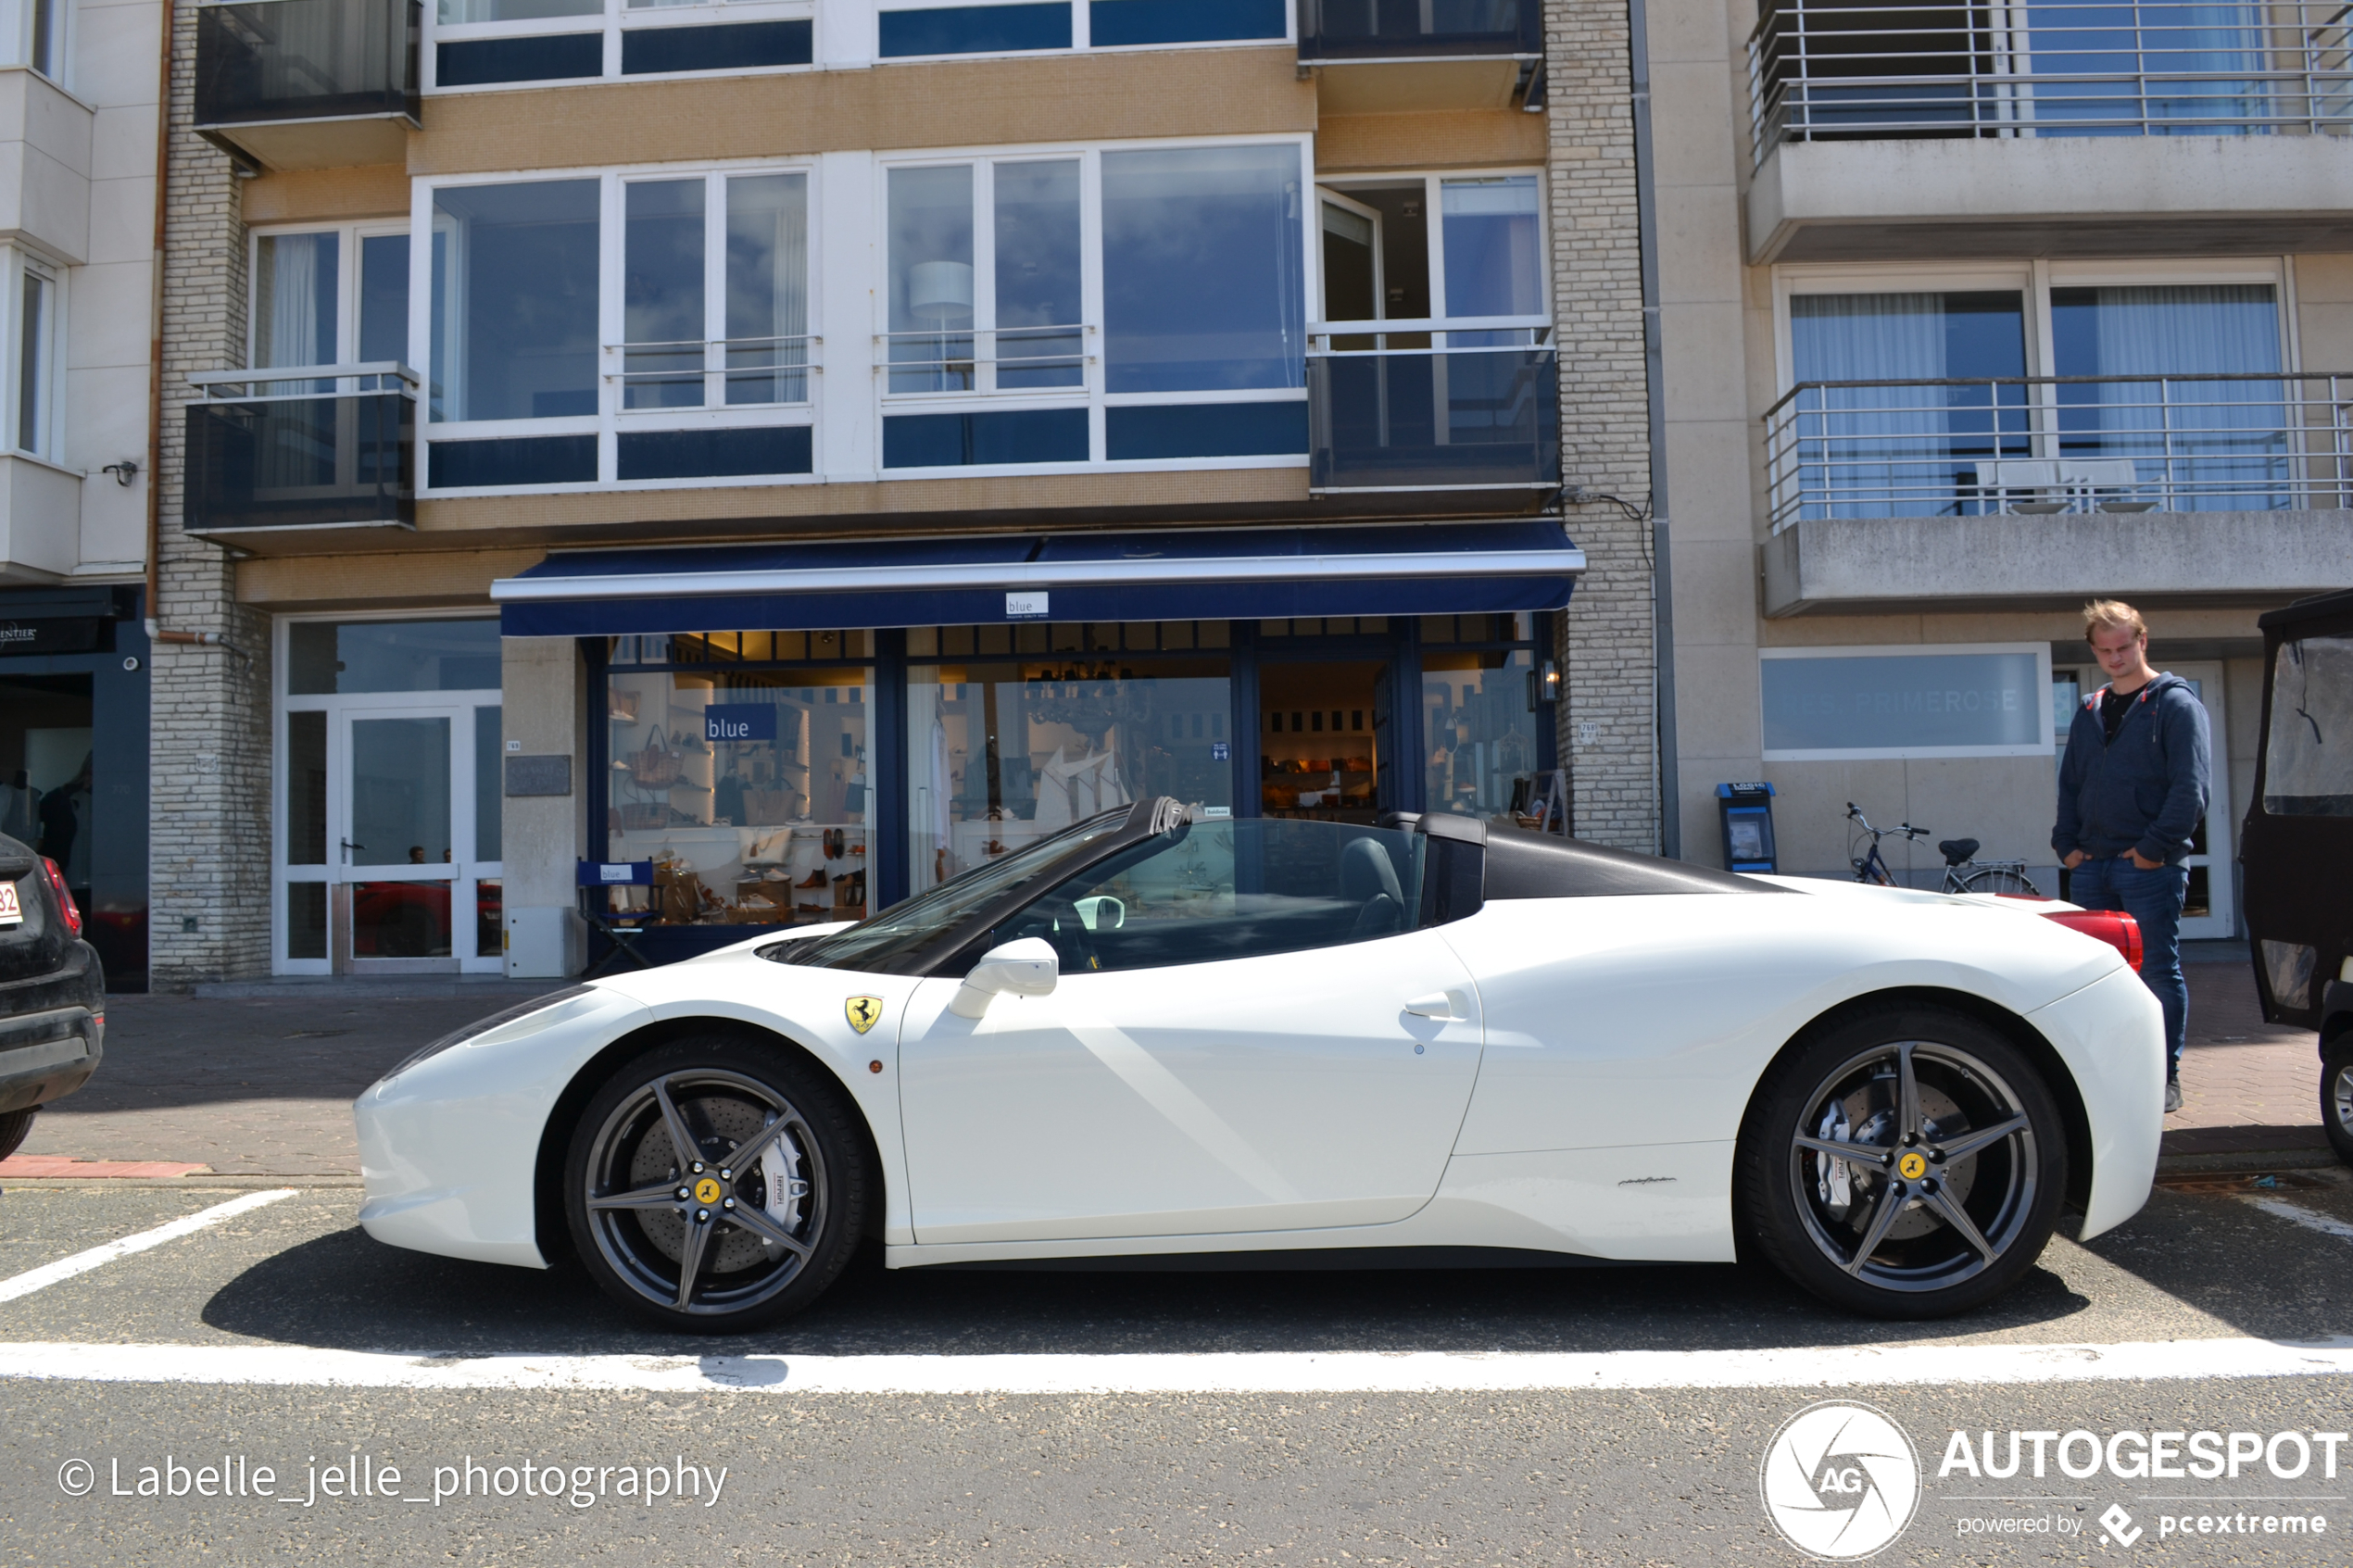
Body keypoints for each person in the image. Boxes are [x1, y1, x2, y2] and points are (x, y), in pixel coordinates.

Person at [2053, 600, 2210, 1114]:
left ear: (2143, 641)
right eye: (2105, 650)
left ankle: (2165, 1077)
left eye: (2125, 647)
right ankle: (2105, 1076)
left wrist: (2150, 852)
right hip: (2091, 867)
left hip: (2148, 868)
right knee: (2090, 977)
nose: (2116, 658)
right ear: (2094, 650)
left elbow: (2190, 791)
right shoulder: (2090, 710)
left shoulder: (2176, 705)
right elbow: (2071, 783)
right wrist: (2067, 848)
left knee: (2158, 973)